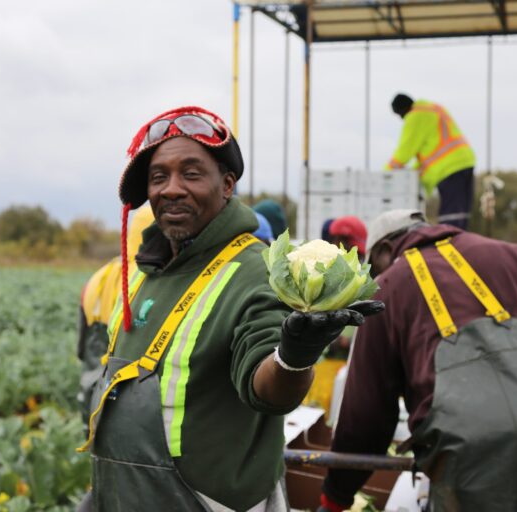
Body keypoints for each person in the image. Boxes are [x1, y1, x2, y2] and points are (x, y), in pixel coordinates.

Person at [77, 106, 383, 512]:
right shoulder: (144, 271)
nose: (171, 188)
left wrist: (294, 357)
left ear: (226, 185)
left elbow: (268, 390)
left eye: (191, 172)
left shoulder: (257, 271)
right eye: (158, 176)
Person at [319, 210, 517, 512]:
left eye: (375, 268)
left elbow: (366, 413)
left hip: (469, 468)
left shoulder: (387, 290)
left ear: (385, 250)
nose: (377, 277)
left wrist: (336, 496)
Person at [76, 205, 154, 436]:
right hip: (135, 413)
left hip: (92, 396)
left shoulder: (99, 277)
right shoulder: (153, 279)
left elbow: (81, 349)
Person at [386, 93, 476, 230]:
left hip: (449, 167)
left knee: (450, 215)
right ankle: (461, 246)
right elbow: (431, 148)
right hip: (465, 161)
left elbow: (404, 152)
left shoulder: (415, 116)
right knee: (460, 214)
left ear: (402, 110)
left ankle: (450, 246)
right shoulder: (433, 108)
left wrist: (385, 174)